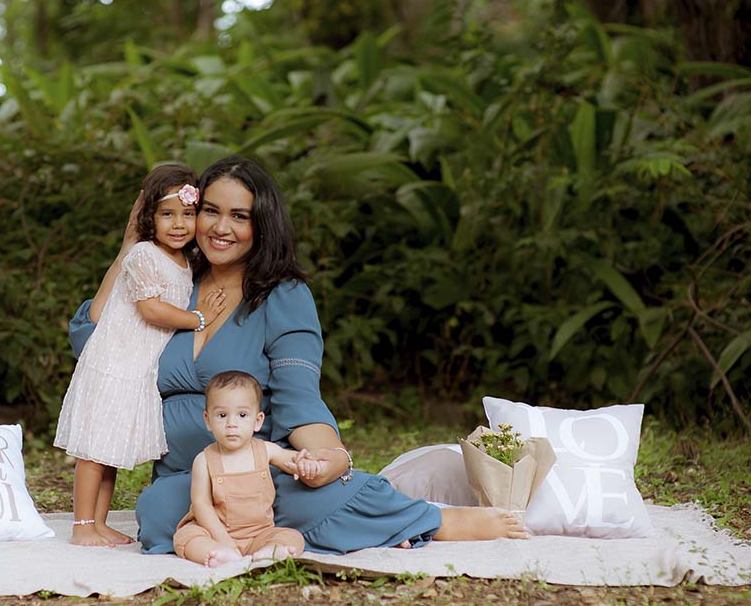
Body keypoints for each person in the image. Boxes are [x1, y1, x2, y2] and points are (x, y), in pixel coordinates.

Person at [69, 156, 526, 554]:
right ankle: (352, 528)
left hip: (260, 467)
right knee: (156, 511)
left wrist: (329, 455)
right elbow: (93, 343)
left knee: (303, 491)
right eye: (210, 211)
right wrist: (130, 247)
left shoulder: (282, 296)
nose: (221, 228)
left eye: (239, 216)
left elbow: (298, 395)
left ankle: (431, 521)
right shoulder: (174, 279)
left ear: (262, 225)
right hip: (186, 478)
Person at [54, 164, 227, 547]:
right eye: (167, 214)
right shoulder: (143, 255)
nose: (179, 224)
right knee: (93, 451)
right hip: (112, 364)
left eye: (187, 214)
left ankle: (98, 522)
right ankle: (82, 524)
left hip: (136, 370)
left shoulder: (184, 262)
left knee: (110, 451)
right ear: (149, 218)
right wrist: (199, 318)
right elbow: (151, 310)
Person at [174, 370, 321, 567]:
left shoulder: (266, 450)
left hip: (258, 534)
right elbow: (201, 505)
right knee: (185, 537)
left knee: (292, 536)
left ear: (257, 421)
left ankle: (271, 551)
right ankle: (217, 554)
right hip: (214, 531)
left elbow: (292, 459)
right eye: (222, 415)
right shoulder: (204, 460)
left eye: (242, 415)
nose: (231, 424)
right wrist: (222, 539)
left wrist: (305, 462)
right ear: (208, 420)